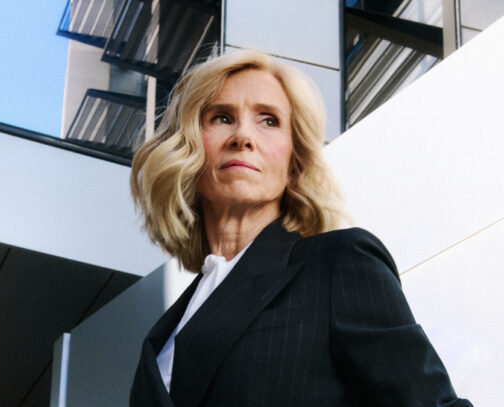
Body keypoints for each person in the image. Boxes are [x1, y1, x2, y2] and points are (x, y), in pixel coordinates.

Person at [129, 50, 472, 407]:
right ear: (188, 146)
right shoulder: (163, 335)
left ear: (294, 161)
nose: (243, 136)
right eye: (222, 118)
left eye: (269, 121)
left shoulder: (338, 264)